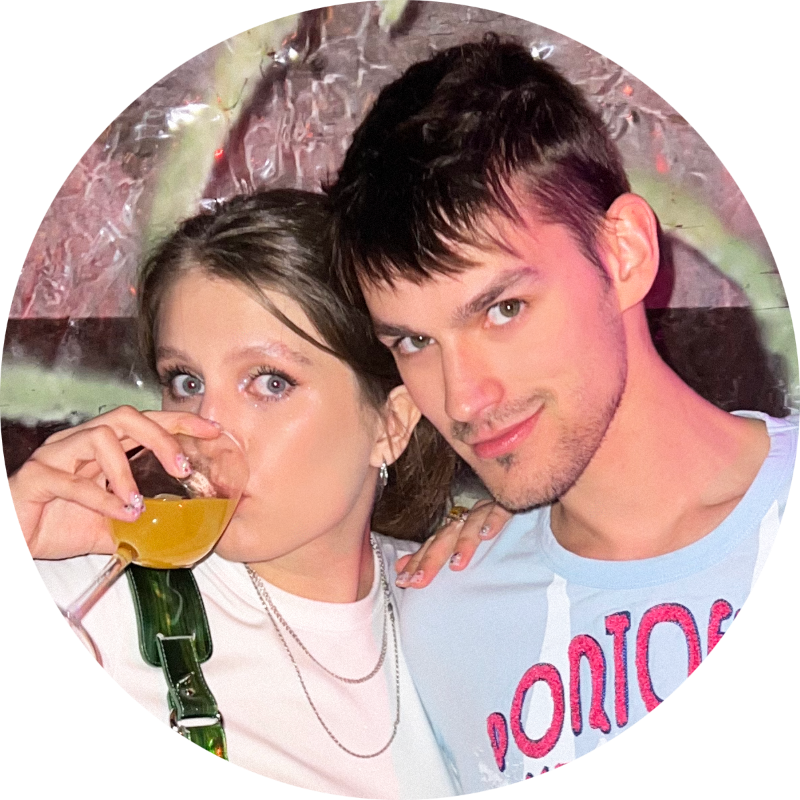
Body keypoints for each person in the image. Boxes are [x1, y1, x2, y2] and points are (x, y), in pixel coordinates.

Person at [327, 35, 797, 787]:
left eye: (504, 308)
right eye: (415, 341)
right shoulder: (446, 617)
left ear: (624, 255)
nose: (462, 399)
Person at [12, 189, 504, 796]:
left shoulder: (467, 597)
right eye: (186, 382)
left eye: (270, 382)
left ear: (391, 425)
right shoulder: (93, 600)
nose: (206, 430)